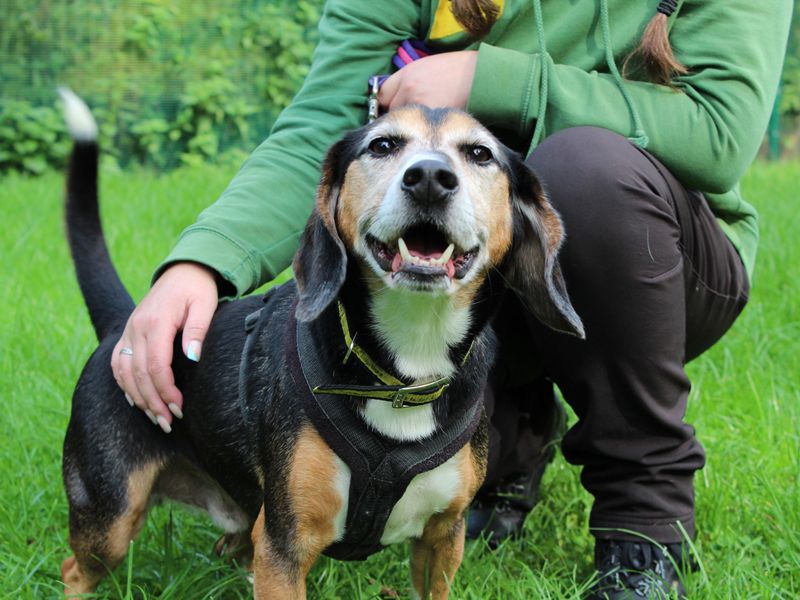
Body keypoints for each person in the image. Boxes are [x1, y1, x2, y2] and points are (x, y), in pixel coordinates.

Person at [109, 1, 792, 597]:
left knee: (582, 172)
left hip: (652, 259)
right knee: (420, 256)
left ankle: (642, 524)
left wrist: (483, 77)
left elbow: (720, 131)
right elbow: (325, 127)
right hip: (459, 277)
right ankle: (507, 445)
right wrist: (202, 264)